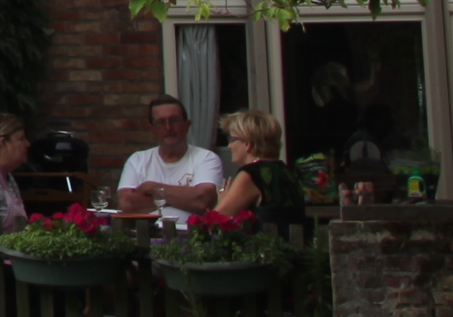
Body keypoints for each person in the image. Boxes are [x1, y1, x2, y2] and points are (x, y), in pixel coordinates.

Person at [113, 95, 224, 223]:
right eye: (160, 122)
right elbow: (126, 205)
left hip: (191, 234)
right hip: (148, 233)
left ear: (187, 125)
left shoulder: (206, 158)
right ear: (152, 128)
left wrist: (152, 188)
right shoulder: (137, 160)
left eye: (175, 120)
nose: (168, 128)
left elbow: (203, 201)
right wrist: (183, 200)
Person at [217, 109, 309, 237]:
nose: (229, 146)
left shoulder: (252, 174)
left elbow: (215, 221)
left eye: (232, 139)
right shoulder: (285, 170)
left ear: (248, 143)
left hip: (265, 248)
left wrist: (222, 200)